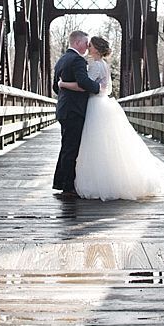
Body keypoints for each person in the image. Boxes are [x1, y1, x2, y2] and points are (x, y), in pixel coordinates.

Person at [57, 36, 164, 201]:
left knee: (93, 145)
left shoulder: (96, 66)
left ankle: (93, 182)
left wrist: (62, 85)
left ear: (96, 49)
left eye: (90, 45)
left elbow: (84, 86)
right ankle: (107, 179)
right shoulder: (104, 65)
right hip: (102, 104)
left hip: (93, 105)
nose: (87, 47)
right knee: (104, 145)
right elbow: (101, 88)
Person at [52, 30, 101, 200]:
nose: (88, 47)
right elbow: (83, 82)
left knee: (66, 147)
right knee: (71, 149)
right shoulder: (78, 60)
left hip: (64, 108)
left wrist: (64, 88)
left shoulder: (62, 60)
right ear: (78, 43)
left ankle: (61, 182)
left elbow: (55, 87)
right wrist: (98, 88)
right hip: (74, 110)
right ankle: (68, 187)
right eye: (86, 43)